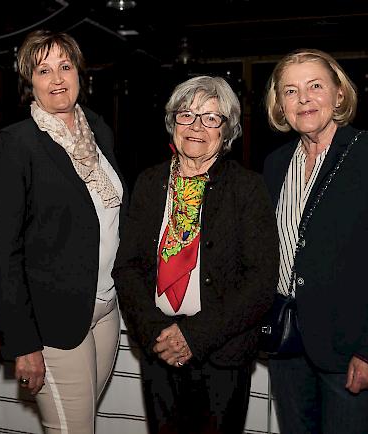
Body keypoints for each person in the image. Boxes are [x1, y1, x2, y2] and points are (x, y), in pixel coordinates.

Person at [112, 75, 279, 433]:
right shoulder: (148, 183)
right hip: (159, 350)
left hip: (223, 354)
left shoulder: (247, 188)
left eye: (210, 117)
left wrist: (193, 337)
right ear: (173, 124)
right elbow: (127, 268)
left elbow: (261, 280)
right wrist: (157, 333)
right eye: (186, 115)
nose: (196, 126)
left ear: (226, 130)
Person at [262, 48, 368, 434]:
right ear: (280, 104)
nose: (304, 99)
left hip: (352, 349)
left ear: (339, 94)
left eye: (315, 86)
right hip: (288, 343)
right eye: (290, 91)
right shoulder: (276, 163)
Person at [0, 30, 124, 433]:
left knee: (81, 423)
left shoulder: (98, 131)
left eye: (65, 66)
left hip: (105, 312)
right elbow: (2, 253)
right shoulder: (15, 145)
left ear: (81, 73)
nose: (57, 79)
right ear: (30, 81)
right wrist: (24, 343)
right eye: (43, 70)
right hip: (52, 324)